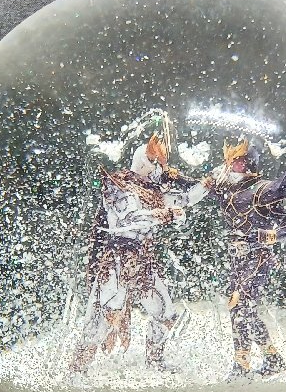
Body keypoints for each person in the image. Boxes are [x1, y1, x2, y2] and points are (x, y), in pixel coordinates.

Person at [70, 131, 206, 374]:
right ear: (145, 162)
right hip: (117, 262)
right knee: (103, 318)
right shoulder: (117, 185)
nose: (160, 170)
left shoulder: (153, 191)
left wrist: (207, 184)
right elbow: (129, 219)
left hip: (144, 262)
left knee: (165, 313)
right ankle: (77, 369)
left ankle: (155, 361)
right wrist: (165, 215)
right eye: (157, 164)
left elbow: (184, 199)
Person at [206, 138, 286, 378]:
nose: (232, 164)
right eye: (230, 160)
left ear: (249, 162)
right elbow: (197, 189)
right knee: (244, 310)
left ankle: (242, 366)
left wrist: (266, 237)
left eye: (237, 160)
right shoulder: (226, 188)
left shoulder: (263, 190)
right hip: (237, 259)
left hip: (258, 257)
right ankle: (272, 358)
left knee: (240, 306)